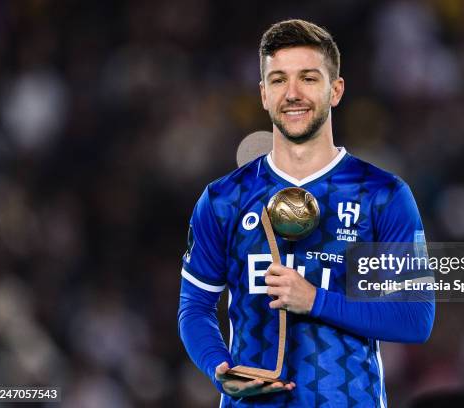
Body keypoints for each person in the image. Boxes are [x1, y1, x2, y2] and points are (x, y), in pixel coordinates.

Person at [178, 19, 435, 407]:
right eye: (279, 80)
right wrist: (219, 368)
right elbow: (194, 308)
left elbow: (416, 318)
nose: (292, 93)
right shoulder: (224, 199)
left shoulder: (382, 195)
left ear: (336, 90)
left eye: (308, 78)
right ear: (263, 94)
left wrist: (315, 300)